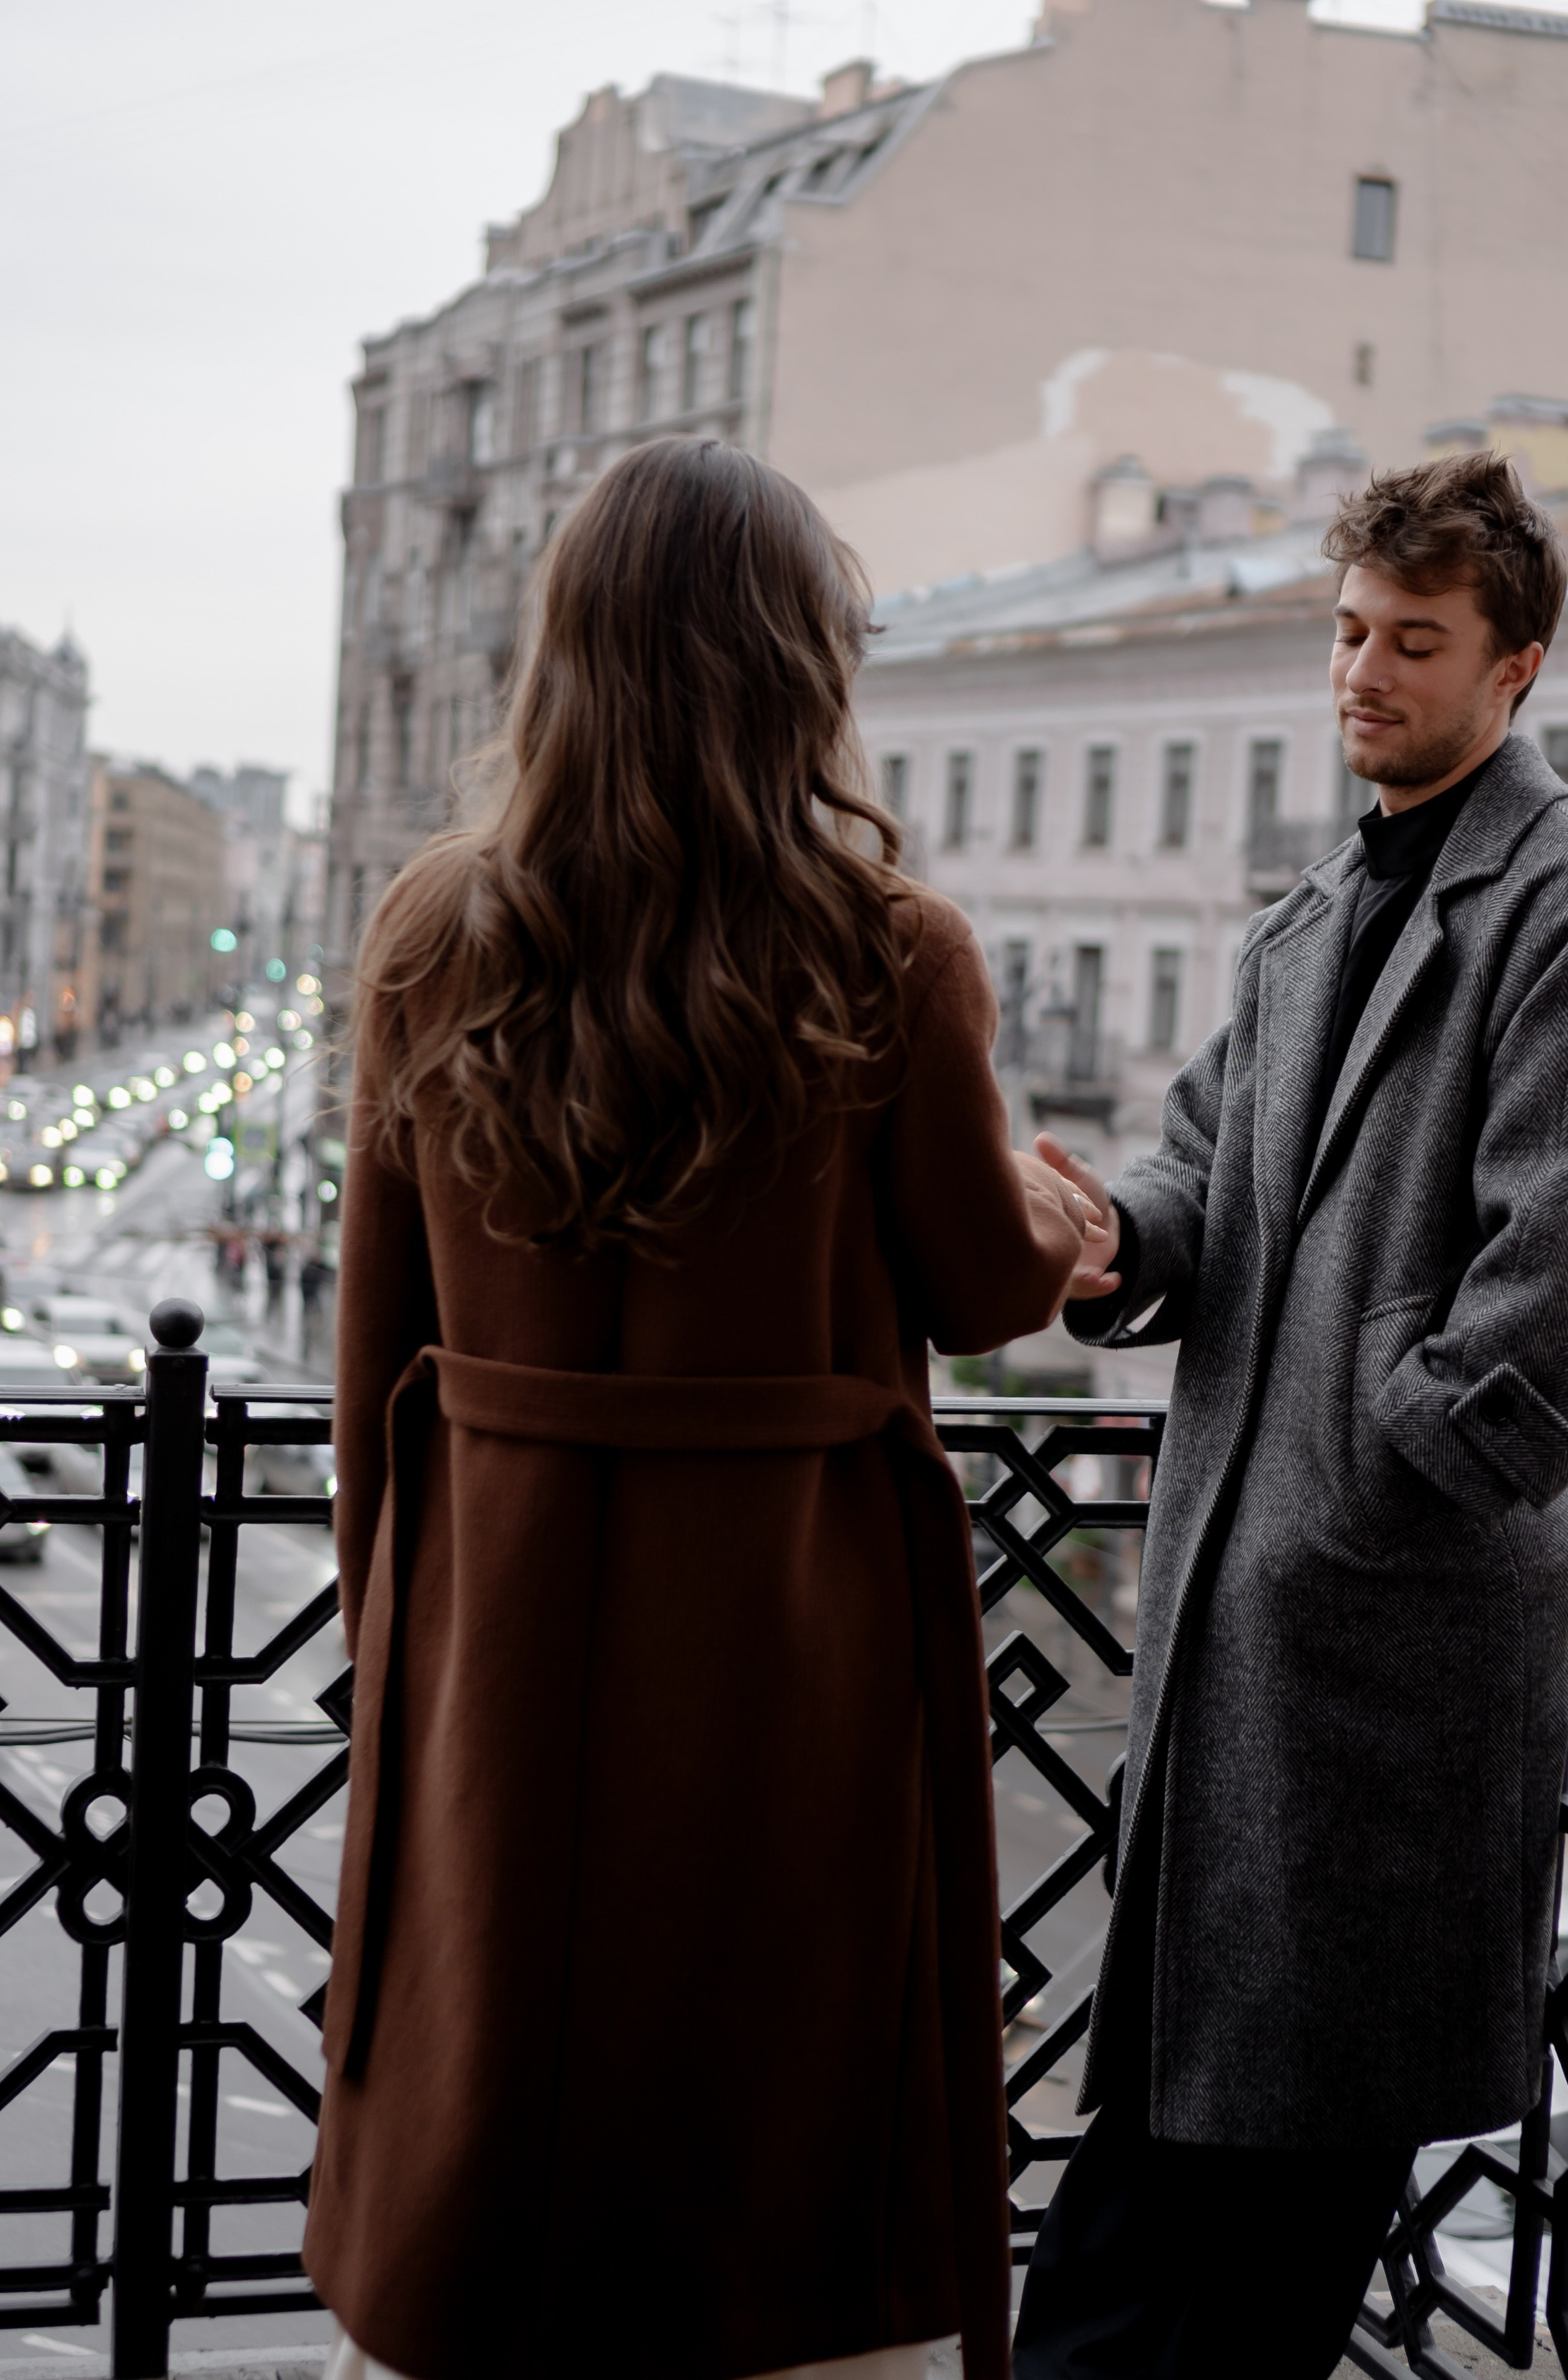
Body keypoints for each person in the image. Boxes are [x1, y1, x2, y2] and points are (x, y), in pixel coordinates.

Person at [305, 438, 1104, 2380]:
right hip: (782, 1631)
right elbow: (993, 1290)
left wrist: (400, 1614)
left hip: (500, 1613)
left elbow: (374, 1353)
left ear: (566, 653)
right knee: (764, 2089)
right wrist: (1056, 1201)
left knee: (494, 2059)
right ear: (791, 669)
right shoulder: (887, 951)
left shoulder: (434, 934)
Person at [1014, 449, 1568, 2379]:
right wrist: (1104, 1242)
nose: (1364, 673)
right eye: (1349, 632)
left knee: (1270, 2229)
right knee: (1148, 2194)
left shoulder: (1564, 910)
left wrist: (1364, 1480)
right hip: (1231, 1651)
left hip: (1383, 1657)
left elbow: (1562, 1284)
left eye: (1414, 642)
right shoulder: (1309, 910)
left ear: (1515, 671)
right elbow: (1198, 1190)